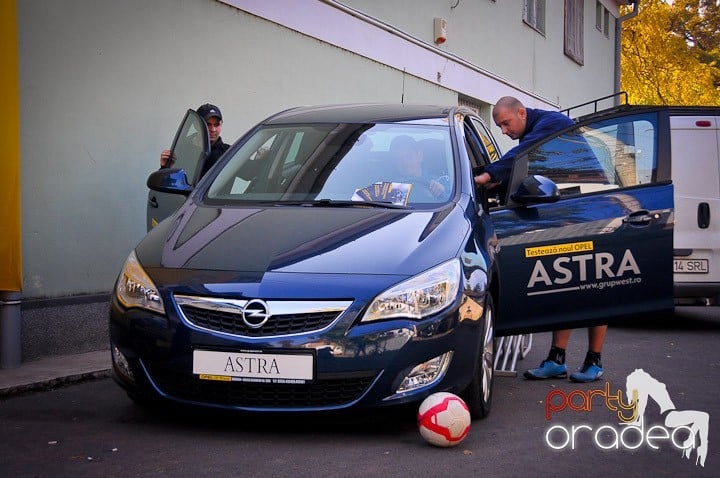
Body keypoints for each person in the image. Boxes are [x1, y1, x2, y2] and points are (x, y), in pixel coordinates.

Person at [476, 96, 606, 383]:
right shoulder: (537, 131)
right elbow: (527, 168)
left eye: (506, 123)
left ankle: (594, 361)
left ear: (522, 113)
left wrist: (487, 175)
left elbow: (520, 155)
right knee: (565, 287)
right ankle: (556, 360)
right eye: (499, 126)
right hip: (567, 213)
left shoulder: (552, 123)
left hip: (589, 213)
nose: (504, 131)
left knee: (592, 288)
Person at [160, 103, 230, 178]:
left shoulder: (228, 153)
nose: (213, 129)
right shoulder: (182, 149)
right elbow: (170, 181)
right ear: (197, 125)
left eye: (216, 125)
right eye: (208, 124)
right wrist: (165, 167)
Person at [389, 135, 446, 200]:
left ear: (420, 156)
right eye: (398, 159)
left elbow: (451, 203)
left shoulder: (440, 181)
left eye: (409, 156)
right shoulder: (388, 186)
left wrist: (441, 192)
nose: (405, 162)